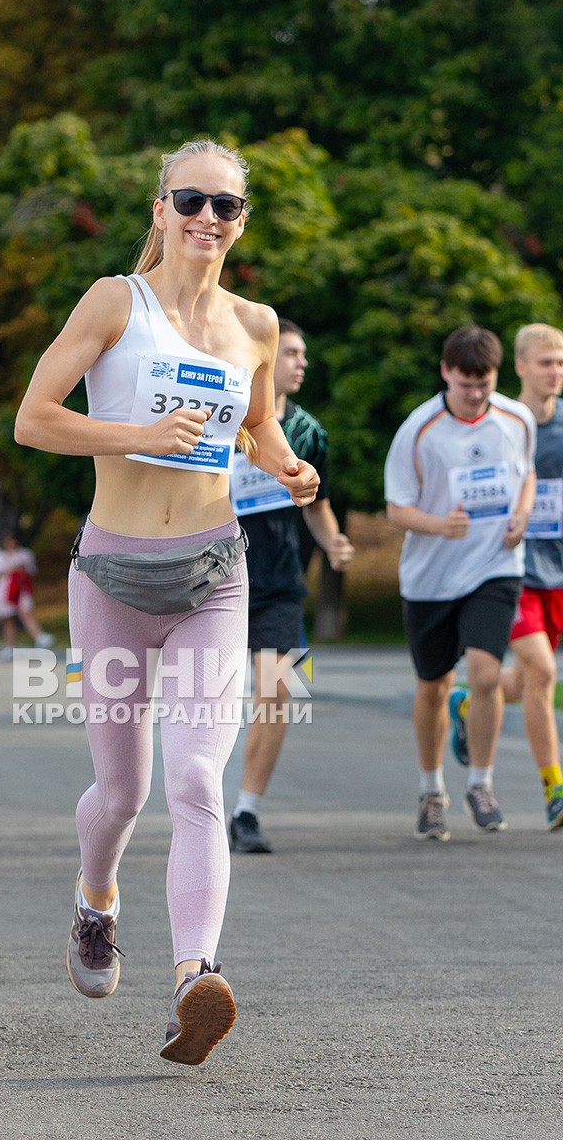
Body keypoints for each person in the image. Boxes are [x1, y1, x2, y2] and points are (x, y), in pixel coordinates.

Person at [14, 139, 319, 1064]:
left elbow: (259, 423)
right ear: (159, 208)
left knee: (194, 780)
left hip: (211, 576)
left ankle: (196, 979)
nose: (207, 218)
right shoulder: (116, 301)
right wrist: (138, 432)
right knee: (124, 790)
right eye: (191, 199)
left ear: (242, 222)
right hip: (112, 574)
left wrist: (286, 465)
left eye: (226, 206)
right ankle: (95, 901)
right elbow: (33, 419)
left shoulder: (255, 326)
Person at [384, 325, 536, 841]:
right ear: (446, 372)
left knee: (487, 674)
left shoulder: (517, 418)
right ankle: (431, 791)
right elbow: (396, 508)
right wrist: (438, 525)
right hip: (431, 578)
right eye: (466, 383)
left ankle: (481, 782)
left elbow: (527, 474)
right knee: (433, 685)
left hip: (495, 567)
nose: (475, 394)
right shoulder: (419, 429)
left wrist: (521, 515)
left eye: (485, 384)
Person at [228, 319, 354, 853]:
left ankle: (246, 812)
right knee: (204, 701)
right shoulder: (224, 420)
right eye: (293, 353)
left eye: (305, 354)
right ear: (266, 357)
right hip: (215, 578)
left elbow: (318, 505)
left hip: (279, 585)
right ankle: (199, 802)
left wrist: (332, 541)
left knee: (276, 695)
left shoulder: (308, 433)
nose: (302, 363)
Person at [448, 323, 563, 830]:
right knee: (543, 673)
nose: (555, 371)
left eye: (560, 362)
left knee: (517, 682)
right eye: (545, 362)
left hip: (557, 572)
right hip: (510, 571)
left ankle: (470, 702)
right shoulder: (506, 423)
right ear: (518, 366)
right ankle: (554, 789)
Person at [0, 530, 54, 660]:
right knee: (8, 618)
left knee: (26, 612)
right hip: (4, 589)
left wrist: (21, 567)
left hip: (21, 588)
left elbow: (32, 570)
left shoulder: (24, 554)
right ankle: (10, 646)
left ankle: (39, 636)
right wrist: (10, 569)